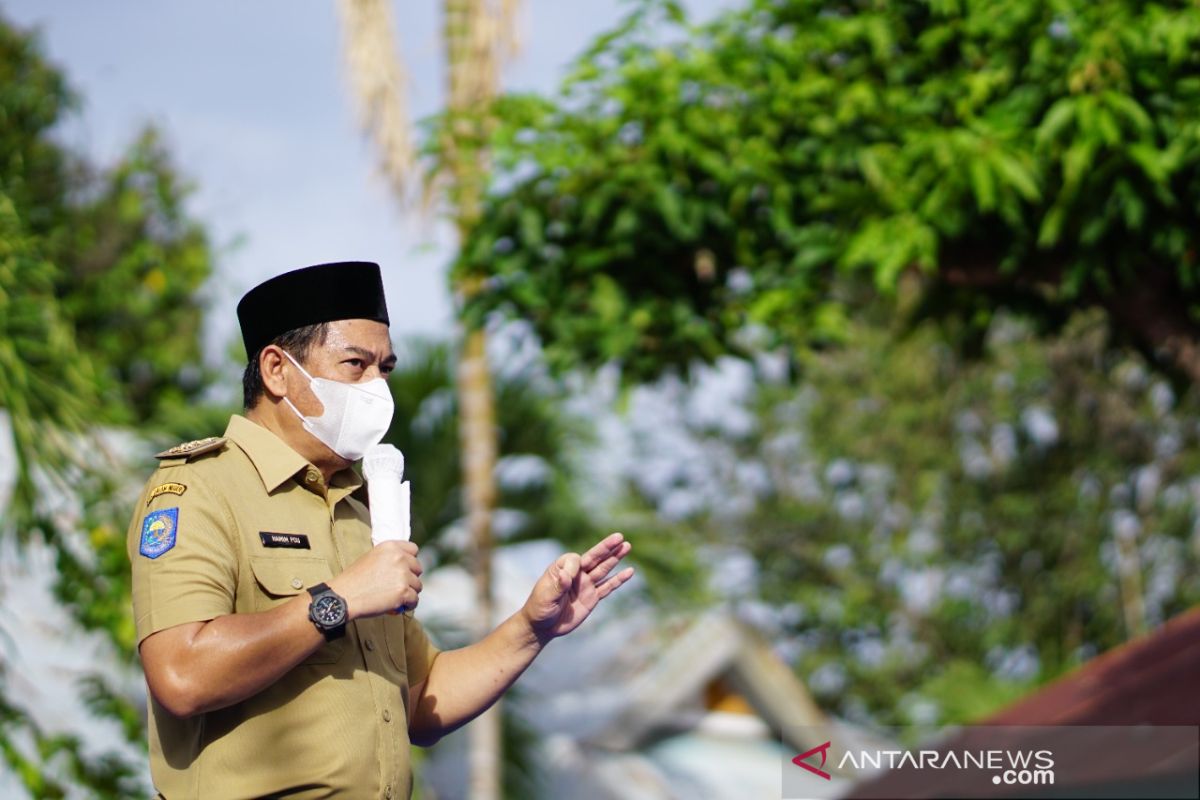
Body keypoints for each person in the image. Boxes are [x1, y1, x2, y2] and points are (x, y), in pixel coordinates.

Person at [127, 261, 634, 799]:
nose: (377, 388)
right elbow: (181, 675)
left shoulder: (358, 505)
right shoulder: (200, 490)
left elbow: (421, 699)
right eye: (355, 365)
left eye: (385, 368)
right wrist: (338, 600)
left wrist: (533, 627)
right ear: (276, 370)